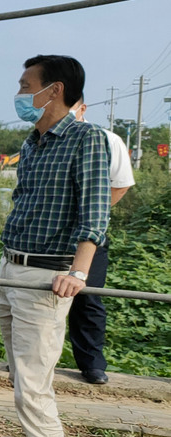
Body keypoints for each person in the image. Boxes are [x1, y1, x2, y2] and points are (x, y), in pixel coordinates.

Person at [0, 55, 110, 437]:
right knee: (25, 381)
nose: (21, 92)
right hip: (13, 269)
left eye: (27, 85)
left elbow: (95, 214)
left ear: (54, 90)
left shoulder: (87, 141)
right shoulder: (34, 141)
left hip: (47, 277)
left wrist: (78, 272)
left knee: (34, 388)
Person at [66, 99, 134, 385]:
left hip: (89, 236)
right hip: (46, 239)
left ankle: (91, 363)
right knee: (38, 297)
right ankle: (25, 361)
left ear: (82, 108)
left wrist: (94, 215)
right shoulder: (40, 138)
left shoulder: (107, 139)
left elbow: (121, 183)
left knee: (88, 298)